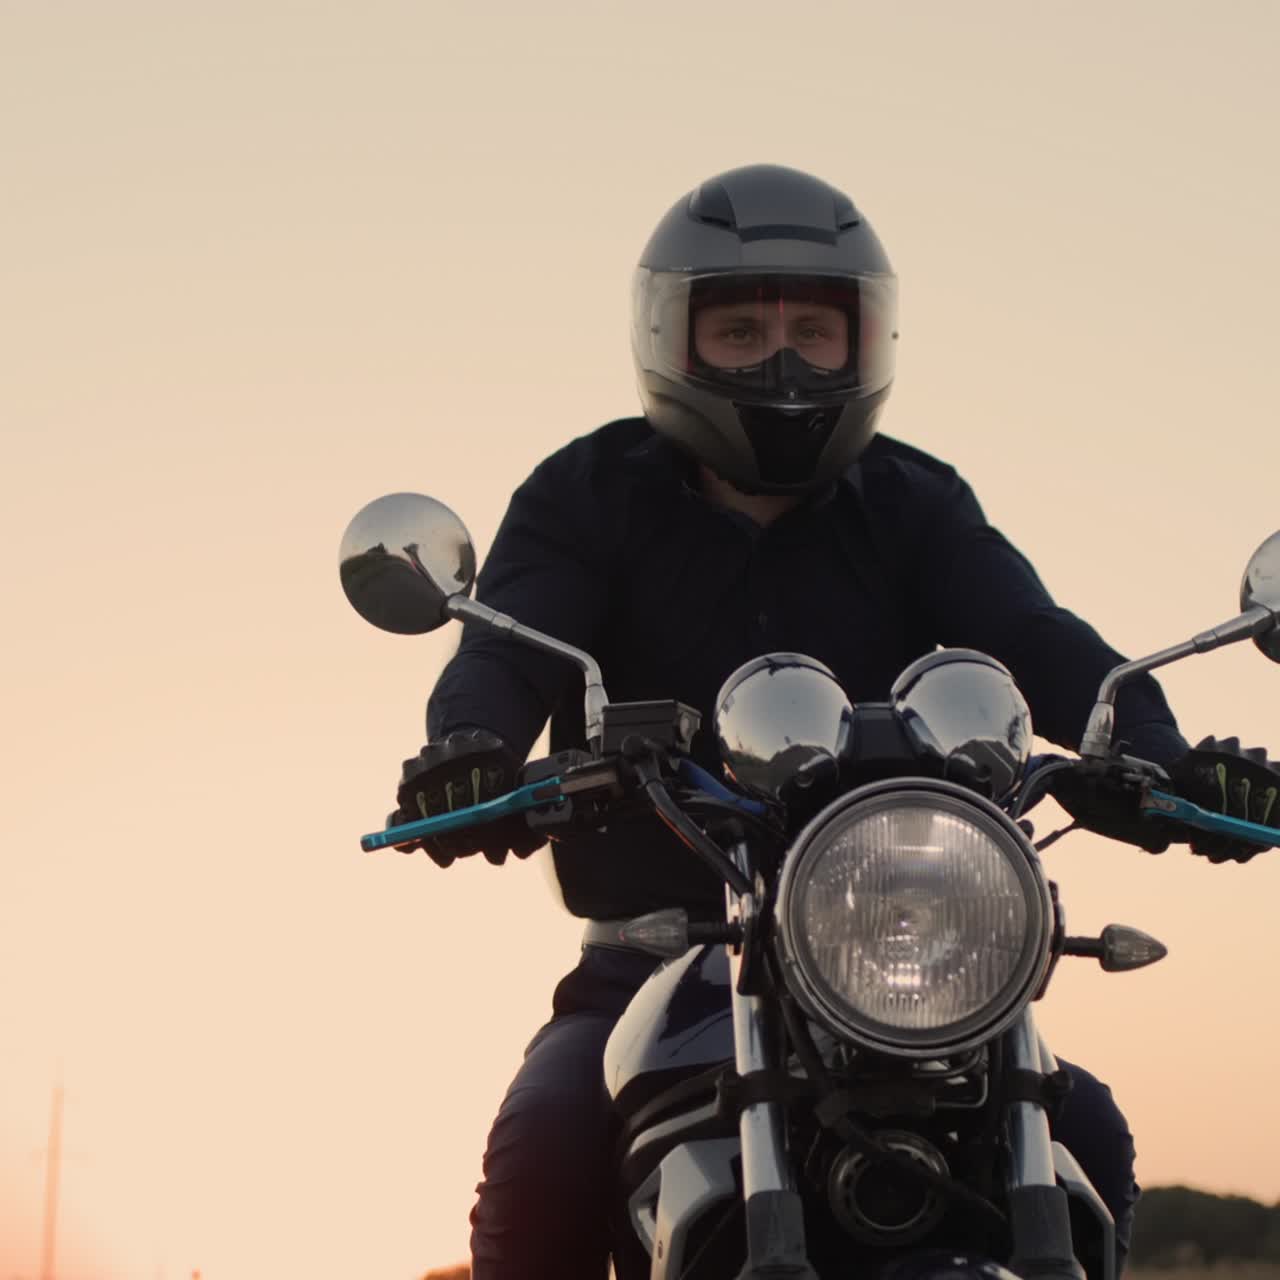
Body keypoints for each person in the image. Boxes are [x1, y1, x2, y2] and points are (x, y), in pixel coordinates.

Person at [387, 164, 1272, 1280]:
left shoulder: (915, 501)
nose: (783, 360)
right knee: (547, 1139)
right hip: (657, 960)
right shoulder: (585, 494)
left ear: (871, 342)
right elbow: (507, 647)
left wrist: (1167, 758)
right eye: (741, 330)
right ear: (671, 335)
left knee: (1078, 1124)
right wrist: (469, 750)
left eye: (815, 329)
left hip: (901, 960)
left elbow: (1044, 641)